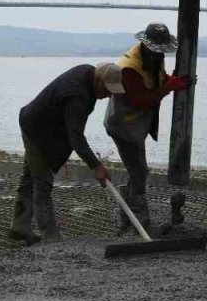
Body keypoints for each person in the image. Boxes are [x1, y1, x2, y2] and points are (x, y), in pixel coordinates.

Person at [10, 62, 125, 243]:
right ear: (97, 80)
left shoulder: (88, 73)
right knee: (42, 182)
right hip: (36, 129)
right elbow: (76, 138)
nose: (109, 95)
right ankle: (51, 239)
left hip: (43, 125)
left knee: (29, 178)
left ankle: (20, 226)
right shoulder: (77, 96)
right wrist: (96, 166)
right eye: (107, 89)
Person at [103, 23, 193, 233]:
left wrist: (175, 81)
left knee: (138, 171)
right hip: (123, 125)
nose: (159, 54)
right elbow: (141, 100)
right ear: (145, 45)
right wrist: (170, 87)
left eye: (162, 51)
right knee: (139, 173)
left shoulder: (153, 58)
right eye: (156, 50)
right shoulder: (129, 68)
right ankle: (139, 225)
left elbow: (157, 80)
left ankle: (127, 221)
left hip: (135, 126)